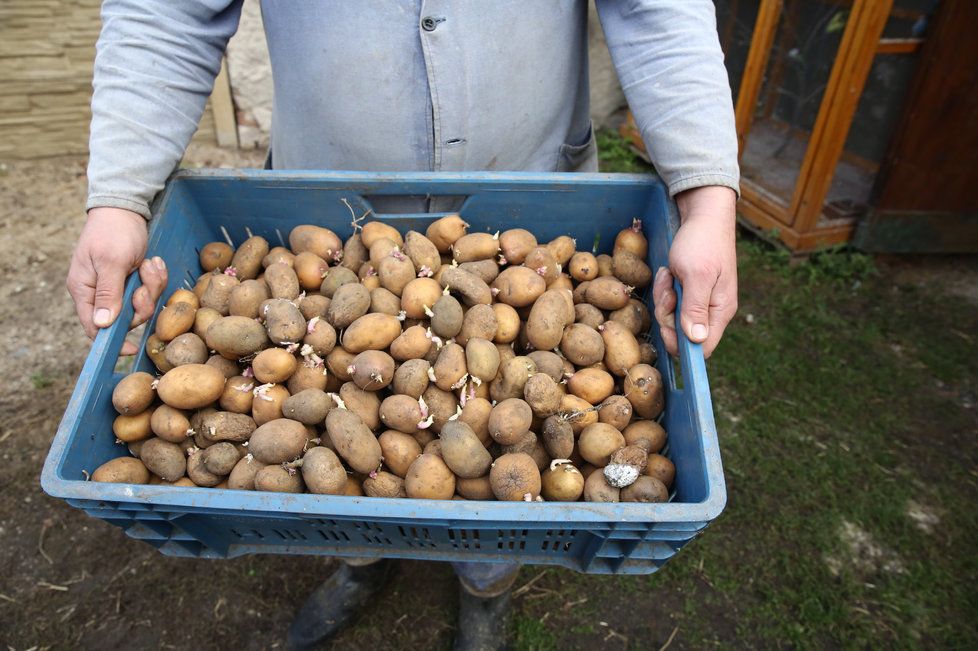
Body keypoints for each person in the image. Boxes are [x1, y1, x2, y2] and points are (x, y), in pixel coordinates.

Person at [66, 2, 739, 649]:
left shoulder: (484, 336)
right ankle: (362, 556)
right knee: (346, 495)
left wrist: (706, 194)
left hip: (534, 186)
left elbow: (662, 8)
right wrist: (121, 196)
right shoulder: (348, 336)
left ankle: (485, 586)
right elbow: (164, 10)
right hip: (323, 192)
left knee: (499, 511)